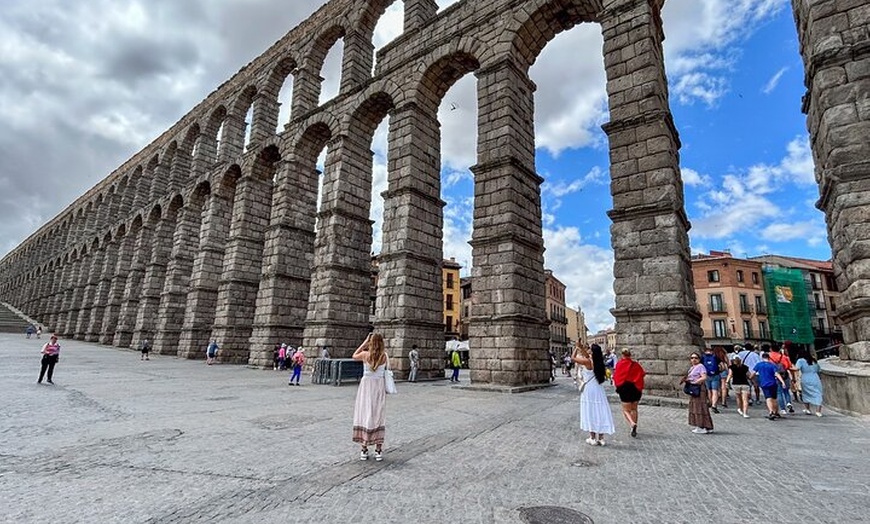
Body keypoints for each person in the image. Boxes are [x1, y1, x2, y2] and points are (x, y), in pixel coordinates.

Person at [352, 332, 388, 461]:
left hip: (366, 387)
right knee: (378, 415)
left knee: (365, 414)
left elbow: (354, 355)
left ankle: (364, 449)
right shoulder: (384, 356)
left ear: (371, 342)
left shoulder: (364, 355)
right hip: (379, 387)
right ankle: (378, 451)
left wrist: (364, 343)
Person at [573, 343, 615, 446]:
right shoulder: (599, 361)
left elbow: (573, 358)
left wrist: (576, 348)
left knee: (590, 411)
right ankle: (601, 438)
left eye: (589, 349)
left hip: (589, 390)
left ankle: (592, 437)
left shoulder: (588, 362)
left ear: (591, 352)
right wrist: (582, 348)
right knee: (600, 411)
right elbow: (586, 355)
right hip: (599, 389)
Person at [613, 348, 645, 438]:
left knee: (626, 410)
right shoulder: (636, 365)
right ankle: (634, 427)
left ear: (622, 355)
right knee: (634, 409)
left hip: (625, 388)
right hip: (635, 388)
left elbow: (616, 376)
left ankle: (632, 423)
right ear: (630, 355)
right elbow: (642, 374)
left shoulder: (620, 364)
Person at [681, 352, 714, 434]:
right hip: (694, 388)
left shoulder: (700, 366)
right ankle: (707, 426)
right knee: (696, 406)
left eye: (696, 358)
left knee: (699, 407)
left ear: (699, 359)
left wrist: (695, 382)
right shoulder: (692, 367)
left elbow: (704, 377)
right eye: (692, 358)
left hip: (698, 388)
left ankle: (701, 426)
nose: (693, 359)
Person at [752, 352, 787, 420]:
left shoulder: (759, 365)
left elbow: (753, 373)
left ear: (762, 358)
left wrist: (751, 378)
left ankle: (771, 412)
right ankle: (776, 412)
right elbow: (777, 374)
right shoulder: (772, 365)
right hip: (773, 383)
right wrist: (783, 382)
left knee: (768, 398)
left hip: (764, 383)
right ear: (769, 358)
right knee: (774, 398)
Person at [796, 350, 824, 416]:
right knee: (818, 393)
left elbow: (796, 368)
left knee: (806, 393)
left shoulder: (800, 360)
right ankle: (818, 411)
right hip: (815, 378)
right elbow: (819, 370)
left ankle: (807, 409)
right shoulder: (814, 360)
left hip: (805, 378)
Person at [769, 343, 794, 414]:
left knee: (779, 393)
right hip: (784, 375)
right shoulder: (784, 357)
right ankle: (789, 403)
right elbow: (788, 366)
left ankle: (783, 409)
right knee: (786, 391)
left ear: (771, 349)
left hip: (775, 376)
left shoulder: (769, 357)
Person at [700, 346, 723, 413]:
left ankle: (710, 402)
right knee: (715, 391)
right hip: (715, 375)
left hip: (706, 375)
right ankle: (714, 405)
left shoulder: (703, 358)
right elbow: (722, 366)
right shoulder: (715, 357)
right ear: (711, 351)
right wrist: (719, 371)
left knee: (709, 390)